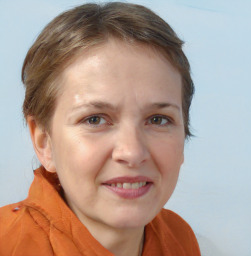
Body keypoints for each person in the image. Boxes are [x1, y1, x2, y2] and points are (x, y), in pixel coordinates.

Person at [0, 2, 200, 255]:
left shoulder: (179, 237)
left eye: (158, 119)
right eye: (94, 119)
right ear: (44, 142)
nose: (132, 152)